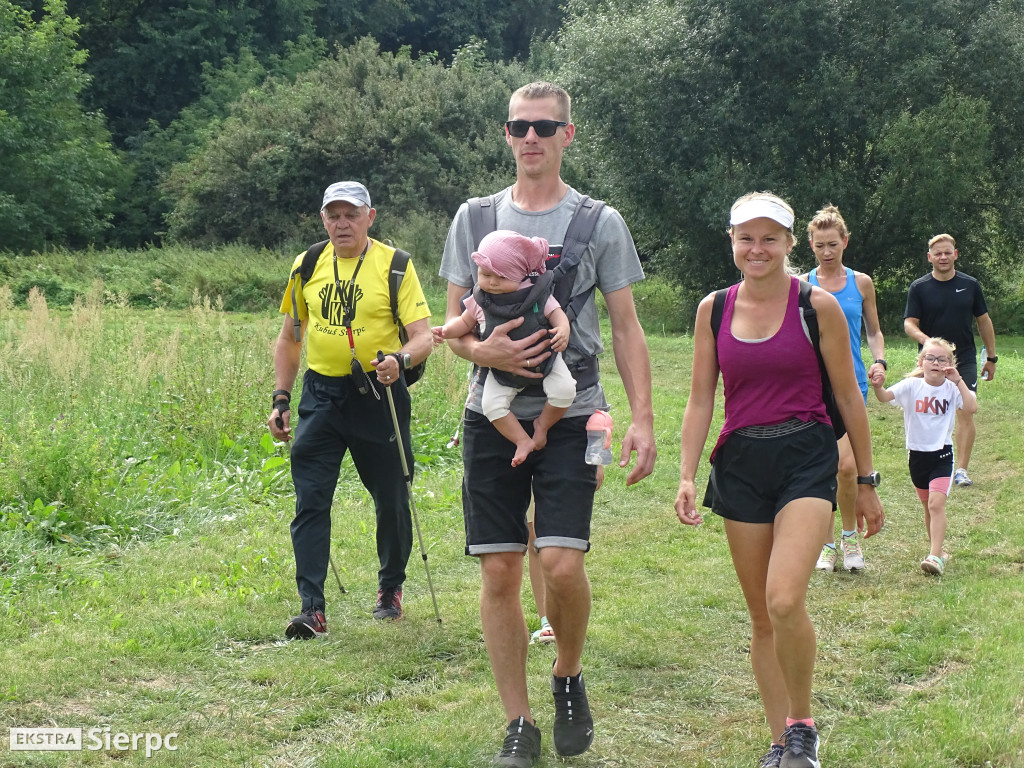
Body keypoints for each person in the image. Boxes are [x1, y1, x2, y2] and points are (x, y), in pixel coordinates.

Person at [439, 81, 656, 767]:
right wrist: (483, 351)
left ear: (568, 134)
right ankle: (518, 724)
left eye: (543, 126)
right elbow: (452, 327)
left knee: (560, 564)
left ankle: (566, 673)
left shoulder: (599, 221)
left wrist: (642, 418)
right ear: (505, 135)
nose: (529, 137)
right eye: (517, 126)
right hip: (492, 416)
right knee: (500, 571)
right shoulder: (473, 219)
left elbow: (625, 328)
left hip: (573, 411)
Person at [675, 192, 884, 768]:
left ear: (790, 245)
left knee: (785, 598)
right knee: (762, 616)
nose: (757, 248)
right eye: (746, 237)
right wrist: (687, 474)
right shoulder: (712, 309)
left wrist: (865, 479)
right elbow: (699, 399)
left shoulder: (816, 306)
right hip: (740, 464)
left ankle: (802, 727)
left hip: (807, 457)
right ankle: (779, 743)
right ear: (732, 242)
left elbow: (848, 394)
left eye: (770, 238)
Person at [268, 181, 432, 638]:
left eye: (351, 214)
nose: (342, 223)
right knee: (311, 498)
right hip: (321, 395)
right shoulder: (307, 265)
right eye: (333, 214)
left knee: (392, 496)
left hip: (378, 393)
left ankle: (390, 588)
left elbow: (423, 336)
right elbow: (289, 337)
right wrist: (281, 398)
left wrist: (400, 361)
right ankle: (311, 609)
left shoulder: (395, 265)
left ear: (370, 217)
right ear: (323, 218)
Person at [433, 229, 576, 467]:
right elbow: (464, 323)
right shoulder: (481, 299)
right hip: (499, 367)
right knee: (491, 405)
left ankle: (543, 425)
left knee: (565, 391)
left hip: (544, 358)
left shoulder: (536, 294)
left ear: (520, 274)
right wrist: (445, 331)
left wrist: (563, 330)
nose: (491, 282)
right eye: (484, 274)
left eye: (501, 277)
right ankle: (522, 440)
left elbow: (557, 314)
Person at [799, 205, 886, 573]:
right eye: (820, 245)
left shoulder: (861, 282)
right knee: (822, 467)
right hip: (811, 388)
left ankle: (850, 540)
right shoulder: (801, 286)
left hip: (851, 386)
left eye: (833, 244)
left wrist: (879, 359)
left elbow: (874, 330)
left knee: (847, 467)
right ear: (811, 245)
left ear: (845, 242)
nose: (827, 251)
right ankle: (827, 545)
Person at [870, 337, 976, 576]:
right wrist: (878, 385)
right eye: (930, 358)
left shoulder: (952, 389)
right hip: (917, 457)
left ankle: (935, 556)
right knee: (928, 507)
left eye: (942, 359)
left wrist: (959, 381)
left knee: (936, 504)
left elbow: (971, 408)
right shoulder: (911, 386)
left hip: (942, 455)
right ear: (921, 361)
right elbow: (885, 397)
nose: (936, 363)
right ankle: (937, 550)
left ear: (950, 363)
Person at [904, 234, 997, 487]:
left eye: (947, 253)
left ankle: (962, 470)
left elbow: (984, 321)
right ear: (929, 257)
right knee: (927, 409)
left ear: (955, 254)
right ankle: (926, 459)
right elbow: (909, 323)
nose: (943, 257)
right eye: (938, 253)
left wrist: (991, 357)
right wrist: (927, 342)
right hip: (930, 360)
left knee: (965, 410)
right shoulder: (919, 287)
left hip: (963, 359)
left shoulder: (970, 285)